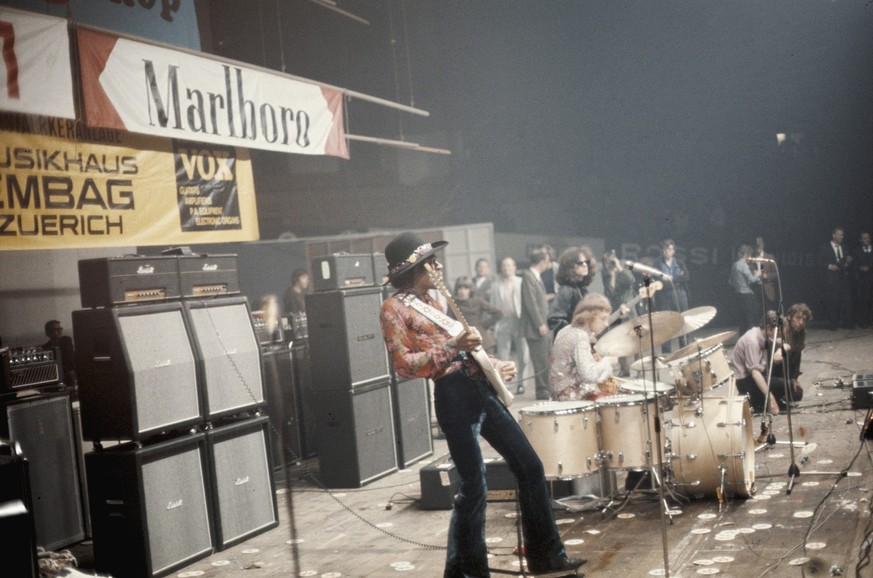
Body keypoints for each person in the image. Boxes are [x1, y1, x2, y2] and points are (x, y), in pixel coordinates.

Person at [379, 232, 585, 577]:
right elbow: (404, 364)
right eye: (431, 262)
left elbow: (464, 346)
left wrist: (494, 361)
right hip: (453, 394)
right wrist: (455, 347)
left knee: (530, 466)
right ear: (415, 268)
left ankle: (547, 556)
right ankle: (466, 571)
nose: (439, 266)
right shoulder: (392, 309)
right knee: (475, 485)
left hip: (479, 384)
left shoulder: (435, 301)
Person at [549, 294, 621, 401]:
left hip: (558, 394)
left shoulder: (567, 329)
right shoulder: (580, 336)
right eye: (603, 319)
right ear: (589, 317)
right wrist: (608, 361)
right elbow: (588, 375)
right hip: (570, 397)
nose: (606, 324)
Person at [731, 310, 799, 414]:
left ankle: (772, 398)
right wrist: (770, 398)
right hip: (748, 382)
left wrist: (780, 350)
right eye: (779, 331)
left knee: (790, 354)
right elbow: (755, 373)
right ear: (768, 328)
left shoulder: (765, 334)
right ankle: (762, 401)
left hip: (762, 373)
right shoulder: (752, 342)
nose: (782, 333)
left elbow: (787, 344)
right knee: (790, 388)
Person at [492, 257, 529, 395]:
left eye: (508, 265)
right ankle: (505, 384)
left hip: (519, 320)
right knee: (503, 354)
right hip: (503, 321)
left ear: (514, 267)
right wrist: (493, 325)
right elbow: (493, 306)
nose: (506, 268)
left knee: (523, 354)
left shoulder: (521, 282)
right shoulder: (496, 285)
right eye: (503, 265)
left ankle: (522, 384)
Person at [521, 246, 554, 400]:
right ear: (542, 260)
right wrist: (540, 323)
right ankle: (542, 392)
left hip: (541, 326)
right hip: (535, 328)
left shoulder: (535, 276)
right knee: (540, 361)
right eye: (548, 259)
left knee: (545, 359)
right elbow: (531, 303)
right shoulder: (528, 276)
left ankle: (546, 389)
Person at [601, 250, 637, 376]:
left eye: (611, 260)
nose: (610, 263)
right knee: (620, 339)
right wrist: (612, 275)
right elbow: (610, 293)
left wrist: (619, 268)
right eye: (607, 262)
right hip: (616, 309)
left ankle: (639, 368)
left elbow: (631, 280)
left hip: (629, 307)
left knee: (636, 338)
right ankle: (625, 369)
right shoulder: (606, 273)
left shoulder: (623, 266)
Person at [547, 246, 596, 339]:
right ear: (570, 267)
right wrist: (577, 331)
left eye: (587, 262)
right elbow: (554, 320)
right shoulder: (566, 290)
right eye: (580, 263)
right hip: (568, 345)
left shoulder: (582, 290)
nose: (585, 265)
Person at [449, 276, 503, 355]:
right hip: (464, 341)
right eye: (459, 288)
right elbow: (450, 322)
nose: (462, 291)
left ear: (470, 290)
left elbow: (498, 313)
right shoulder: (453, 304)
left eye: (466, 288)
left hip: (482, 340)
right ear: (456, 290)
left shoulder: (477, 301)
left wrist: (484, 325)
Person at [653, 239, 690, 353]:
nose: (667, 252)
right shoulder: (657, 263)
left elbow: (686, 276)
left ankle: (684, 350)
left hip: (680, 294)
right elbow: (659, 281)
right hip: (665, 297)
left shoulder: (679, 261)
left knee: (683, 321)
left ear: (673, 250)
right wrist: (676, 278)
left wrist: (672, 279)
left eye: (669, 249)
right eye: (665, 249)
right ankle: (666, 352)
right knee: (666, 323)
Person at [771, 303, 811, 405]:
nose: (801, 322)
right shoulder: (780, 330)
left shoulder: (800, 333)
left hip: (786, 373)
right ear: (790, 317)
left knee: (798, 394)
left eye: (804, 320)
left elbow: (797, 357)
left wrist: (794, 379)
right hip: (773, 372)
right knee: (789, 387)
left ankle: (784, 390)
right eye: (798, 318)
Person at [817, 226, 853, 330]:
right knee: (833, 300)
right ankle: (833, 323)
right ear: (833, 235)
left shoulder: (845, 246)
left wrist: (847, 263)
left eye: (842, 234)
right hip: (831, 278)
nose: (841, 236)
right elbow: (819, 262)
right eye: (839, 234)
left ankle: (847, 323)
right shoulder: (824, 247)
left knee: (846, 300)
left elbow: (847, 259)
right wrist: (829, 266)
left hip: (843, 277)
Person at [729, 244, 762, 336]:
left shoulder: (734, 265)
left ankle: (742, 339)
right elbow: (751, 279)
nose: (750, 258)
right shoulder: (743, 265)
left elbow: (731, 282)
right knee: (750, 319)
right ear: (746, 254)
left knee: (742, 319)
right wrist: (758, 274)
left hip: (738, 295)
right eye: (750, 255)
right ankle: (751, 338)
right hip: (746, 295)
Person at [43, 319, 77, 387]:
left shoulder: (66, 341)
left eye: (60, 328)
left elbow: (70, 359)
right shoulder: (46, 348)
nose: (60, 331)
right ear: (48, 332)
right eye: (56, 329)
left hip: (70, 374)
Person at [852, 231, 873, 327]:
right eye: (864, 238)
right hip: (862, 279)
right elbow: (853, 265)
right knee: (863, 300)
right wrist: (860, 268)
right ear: (860, 240)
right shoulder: (856, 251)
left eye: (868, 238)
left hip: (871, 277)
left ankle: (870, 320)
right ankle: (863, 321)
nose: (866, 240)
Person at [753, 237, 778, 313]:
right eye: (756, 245)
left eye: (759, 245)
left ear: (763, 245)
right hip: (756, 288)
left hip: (767, 288)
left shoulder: (769, 257)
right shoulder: (752, 257)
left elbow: (776, 273)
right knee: (757, 311)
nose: (758, 247)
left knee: (769, 311)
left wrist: (767, 276)